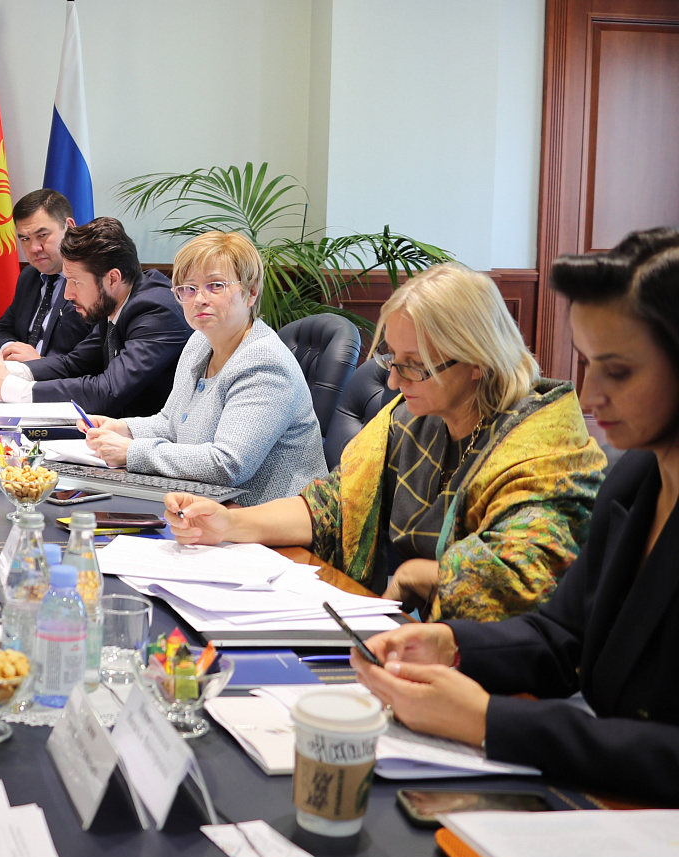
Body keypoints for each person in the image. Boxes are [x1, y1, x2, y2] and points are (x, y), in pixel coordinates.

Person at [350, 229, 679, 804]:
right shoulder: (636, 480)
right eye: (587, 365)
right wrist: (451, 644)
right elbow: (561, 638)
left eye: (619, 372)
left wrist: (489, 721)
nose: (590, 396)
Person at [165, 262, 607, 621]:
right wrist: (228, 524)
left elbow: (524, 576)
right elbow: (334, 505)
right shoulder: (411, 419)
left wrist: (421, 574)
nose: (394, 381)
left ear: (478, 361)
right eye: (393, 359)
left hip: (502, 663)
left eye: (414, 365)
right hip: (416, 634)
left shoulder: (544, 448)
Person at [80, 231, 326, 504]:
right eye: (188, 288)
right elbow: (171, 423)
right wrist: (122, 428)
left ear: (251, 292)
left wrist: (132, 452)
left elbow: (228, 464)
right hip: (207, 507)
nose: (199, 299)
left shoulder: (264, 362)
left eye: (215, 285)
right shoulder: (200, 342)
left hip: (266, 520)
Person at [0, 217, 192, 418]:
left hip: (147, 441)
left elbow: (107, 391)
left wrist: (11, 388)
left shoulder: (156, 310)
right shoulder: (113, 300)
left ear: (112, 279)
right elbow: (74, 364)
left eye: (75, 282)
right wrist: (7, 370)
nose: (67, 294)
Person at [0, 189, 93, 361]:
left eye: (42, 235)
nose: (34, 248)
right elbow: (0, 330)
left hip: (64, 376)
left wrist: (39, 364)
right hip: (20, 373)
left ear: (69, 227)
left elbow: (94, 358)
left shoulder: (93, 279)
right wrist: (13, 349)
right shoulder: (29, 276)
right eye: (25, 239)